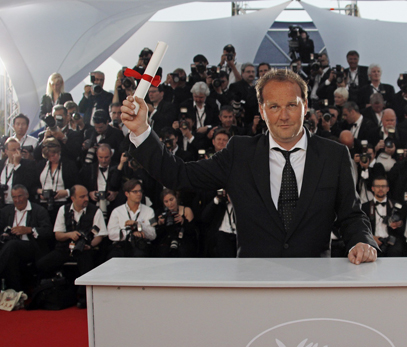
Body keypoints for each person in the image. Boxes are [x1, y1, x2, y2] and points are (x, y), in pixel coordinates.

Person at [121, 69, 377, 264]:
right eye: (274, 107)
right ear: (263, 112)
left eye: (291, 105)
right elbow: (179, 175)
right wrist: (142, 131)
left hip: (314, 280)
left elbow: (351, 215)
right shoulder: (239, 152)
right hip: (253, 281)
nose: (284, 115)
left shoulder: (335, 155)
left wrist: (361, 241)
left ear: (305, 107)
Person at [35, 185, 108, 305]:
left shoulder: (95, 211)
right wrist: (69, 235)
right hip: (65, 248)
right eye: (82, 196)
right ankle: (47, 291)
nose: (86, 199)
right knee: (42, 264)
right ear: (73, 199)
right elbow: (58, 235)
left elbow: (100, 236)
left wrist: (90, 245)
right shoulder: (63, 209)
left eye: (86, 195)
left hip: (84, 249)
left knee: (86, 262)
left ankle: (85, 297)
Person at [0, 185, 52, 292]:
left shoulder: (38, 210)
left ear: (27, 195)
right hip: (10, 247)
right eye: (14, 197)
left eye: (20, 196)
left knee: (12, 245)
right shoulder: (6, 211)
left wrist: (29, 230)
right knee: (11, 253)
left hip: (32, 247)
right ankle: (16, 292)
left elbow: (48, 231)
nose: (17, 200)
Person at [106, 179, 156, 258]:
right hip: (122, 245)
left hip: (141, 245)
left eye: (140, 191)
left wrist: (139, 226)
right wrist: (130, 234)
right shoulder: (117, 211)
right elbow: (111, 234)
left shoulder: (149, 211)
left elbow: (153, 235)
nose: (139, 194)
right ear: (127, 194)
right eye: (135, 192)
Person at [361, 177, 404, 257]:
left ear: (387, 189)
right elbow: (361, 227)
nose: (380, 189)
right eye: (377, 186)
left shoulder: (396, 206)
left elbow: (403, 228)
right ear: (372, 188)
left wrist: (399, 224)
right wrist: (371, 238)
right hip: (371, 240)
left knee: (396, 250)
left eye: (383, 186)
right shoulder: (365, 207)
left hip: (391, 241)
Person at [155, 189, 197, 257]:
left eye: (171, 200)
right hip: (167, 241)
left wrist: (183, 221)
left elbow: (193, 231)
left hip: (184, 241)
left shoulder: (186, 210)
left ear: (176, 197)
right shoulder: (161, 213)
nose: (170, 204)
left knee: (183, 250)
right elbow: (158, 235)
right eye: (166, 201)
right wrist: (160, 224)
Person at [0, 138, 39, 206]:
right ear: (6, 151)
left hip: (20, 204)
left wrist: (17, 165)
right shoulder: (1, 164)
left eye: (18, 149)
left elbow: (27, 185)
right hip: (3, 204)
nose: (17, 152)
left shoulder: (29, 164)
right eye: (13, 150)